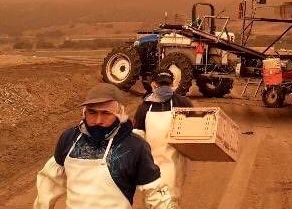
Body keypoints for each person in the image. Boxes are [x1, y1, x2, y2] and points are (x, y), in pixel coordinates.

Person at [34, 83, 176, 209]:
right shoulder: (69, 139)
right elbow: (49, 182)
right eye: (92, 112)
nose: (98, 120)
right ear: (84, 112)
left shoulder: (134, 146)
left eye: (106, 113)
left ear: (119, 113)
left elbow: (155, 193)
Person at [133, 71, 194, 205]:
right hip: (151, 164)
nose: (163, 87)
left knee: (170, 198)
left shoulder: (145, 107)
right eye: (162, 84)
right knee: (154, 200)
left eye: (166, 84)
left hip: (173, 162)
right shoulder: (145, 107)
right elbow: (137, 138)